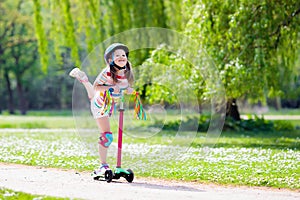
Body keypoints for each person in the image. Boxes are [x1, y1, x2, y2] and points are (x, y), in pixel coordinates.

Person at [69, 43, 134, 176]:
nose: (122, 57)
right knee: (107, 136)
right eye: (117, 55)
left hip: (110, 103)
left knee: (91, 95)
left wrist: (128, 90)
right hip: (101, 104)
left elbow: (124, 86)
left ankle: (84, 80)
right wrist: (110, 88)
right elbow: (98, 86)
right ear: (110, 60)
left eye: (123, 55)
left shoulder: (126, 71)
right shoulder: (107, 72)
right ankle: (102, 166)